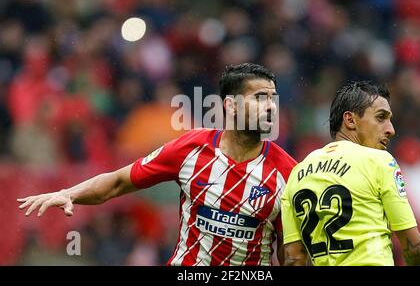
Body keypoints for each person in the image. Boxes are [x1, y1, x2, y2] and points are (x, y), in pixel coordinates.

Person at [18, 63, 297, 266]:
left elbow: (291, 256)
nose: (271, 107)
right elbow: (117, 182)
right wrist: (70, 193)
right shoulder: (190, 148)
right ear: (231, 106)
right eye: (260, 98)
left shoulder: (287, 172)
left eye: (273, 98)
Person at [281, 81, 420, 266]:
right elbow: (413, 245)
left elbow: (293, 259)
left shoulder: (297, 173)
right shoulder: (379, 161)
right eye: (381, 117)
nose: (391, 129)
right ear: (350, 120)